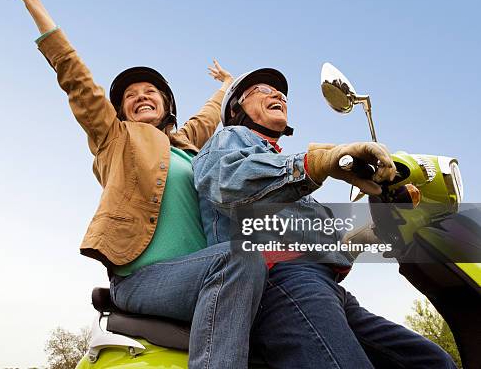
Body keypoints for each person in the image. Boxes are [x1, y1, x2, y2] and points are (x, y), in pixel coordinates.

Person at [0, 0, 267, 369]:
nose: (141, 97)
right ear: (120, 110)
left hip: (205, 276)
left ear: (167, 105)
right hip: (143, 280)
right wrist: (34, 4)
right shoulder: (114, 138)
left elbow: (209, 118)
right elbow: (76, 79)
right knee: (241, 256)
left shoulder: (187, 145)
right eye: (130, 96)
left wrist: (226, 85)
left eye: (150, 92)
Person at [193, 68, 457, 368]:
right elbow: (225, 182)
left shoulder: (289, 179)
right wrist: (317, 164)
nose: (277, 94)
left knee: (433, 361)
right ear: (235, 108)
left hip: (327, 288)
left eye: (279, 93)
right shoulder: (229, 138)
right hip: (279, 282)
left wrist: (374, 232)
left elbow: (328, 245)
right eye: (262, 90)